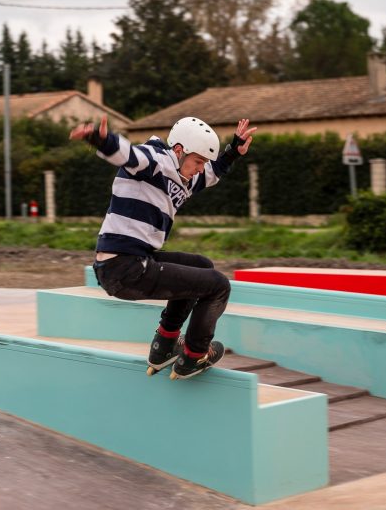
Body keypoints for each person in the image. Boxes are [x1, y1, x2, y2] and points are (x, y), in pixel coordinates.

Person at [69, 115, 255, 380]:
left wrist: (233, 151)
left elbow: (212, 173)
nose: (200, 169)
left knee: (201, 266)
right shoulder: (155, 160)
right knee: (218, 285)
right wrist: (101, 140)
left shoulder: (185, 178)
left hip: (134, 262)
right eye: (198, 161)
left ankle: (164, 346)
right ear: (178, 151)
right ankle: (194, 356)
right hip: (124, 267)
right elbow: (129, 155)